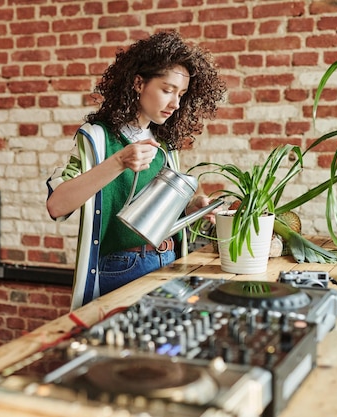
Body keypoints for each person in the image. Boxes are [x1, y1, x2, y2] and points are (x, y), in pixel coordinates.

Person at [46, 31, 226, 310]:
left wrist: (192, 209)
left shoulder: (165, 142)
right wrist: (118, 162)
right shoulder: (97, 138)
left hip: (169, 261)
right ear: (139, 83)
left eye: (181, 94)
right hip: (122, 268)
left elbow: (159, 212)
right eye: (167, 90)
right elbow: (57, 205)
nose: (175, 103)